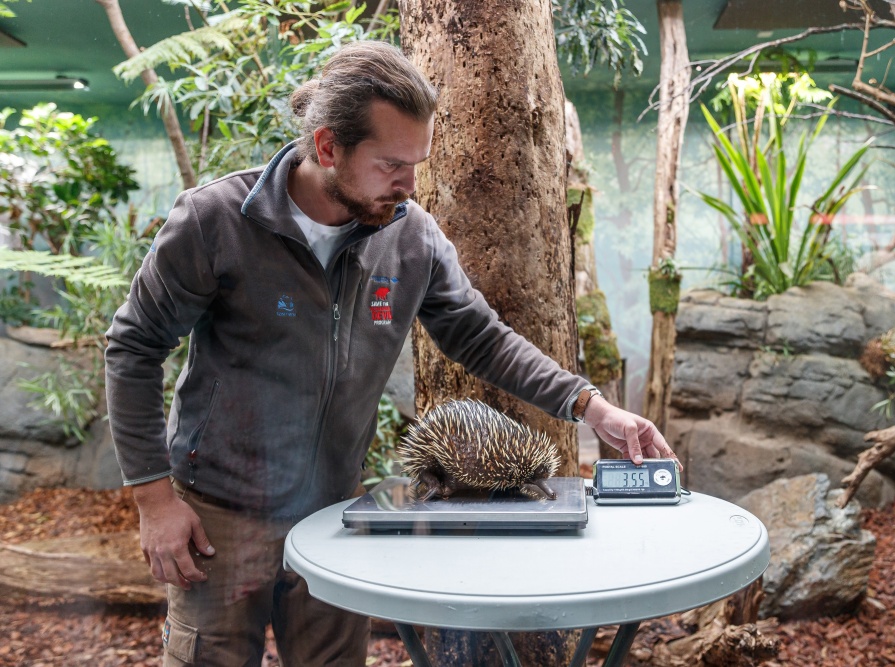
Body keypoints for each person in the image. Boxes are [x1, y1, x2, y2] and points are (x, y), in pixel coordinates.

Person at [105, 40, 677, 667]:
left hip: (332, 511)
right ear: (327, 148)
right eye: (391, 165)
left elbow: (480, 336)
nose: (409, 186)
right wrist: (156, 502)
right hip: (217, 513)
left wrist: (592, 408)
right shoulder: (215, 221)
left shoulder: (411, 239)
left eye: (417, 163)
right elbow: (134, 347)